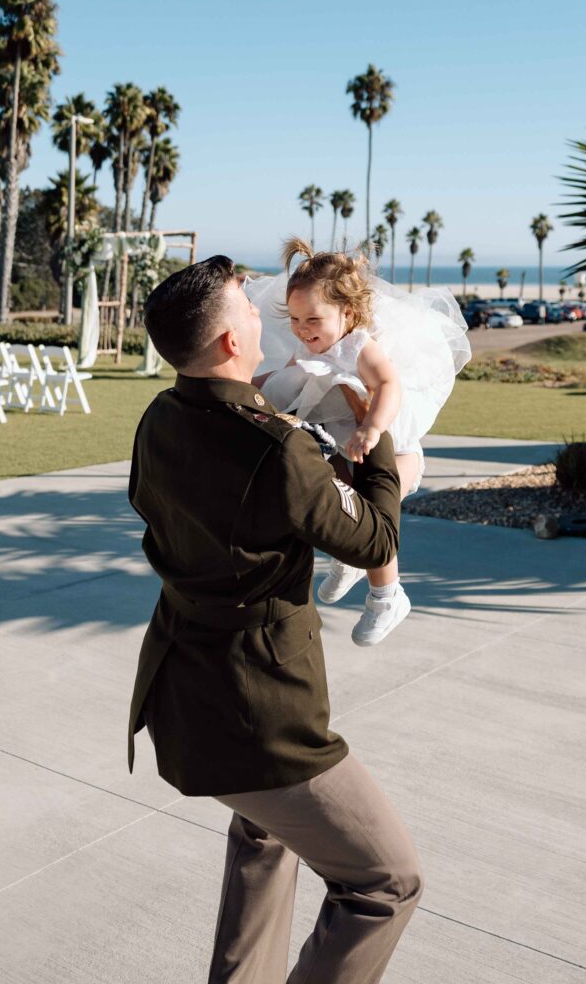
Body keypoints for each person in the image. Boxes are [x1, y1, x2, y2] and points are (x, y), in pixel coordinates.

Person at [127, 256, 423, 984]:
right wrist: (374, 439)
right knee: (385, 883)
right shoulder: (279, 447)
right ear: (230, 343)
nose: (264, 315)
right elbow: (375, 541)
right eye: (250, 308)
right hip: (264, 718)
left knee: (263, 840)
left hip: (181, 704)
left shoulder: (159, 419)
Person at [245, 238, 471, 645]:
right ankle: (350, 555)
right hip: (340, 446)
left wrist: (373, 427)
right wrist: (243, 385)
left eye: (313, 319)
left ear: (346, 312)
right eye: (295, 320)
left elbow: (388, 383)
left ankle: (388, 596)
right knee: (337, 501)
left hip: (388, 447)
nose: (302, 329)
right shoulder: (307, 345)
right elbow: (281, 377)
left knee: (370, 508)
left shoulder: (358, 345)